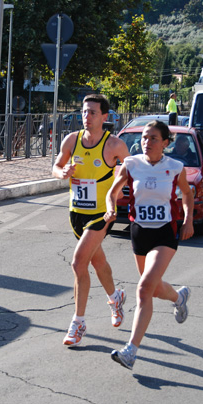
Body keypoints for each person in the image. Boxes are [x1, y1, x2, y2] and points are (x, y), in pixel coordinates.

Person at [104, 120, 194, 370]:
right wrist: (111, 208)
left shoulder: (175, 167)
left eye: (153, 138)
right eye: (144, 137)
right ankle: (179, 297)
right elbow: (113, 192)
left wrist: (187, 220)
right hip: (139, 232)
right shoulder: (131, 164)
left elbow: (187, 193)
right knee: (152, 289)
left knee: (143, 288)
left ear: (165, 143)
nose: (147, 142)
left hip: (165, 233)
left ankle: (130, 351)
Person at [52, 93, 129, 347]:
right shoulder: (71, 140)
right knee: (97, 261)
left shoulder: (114, 145)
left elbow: (128, 173)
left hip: (101, 214)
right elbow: (56, 166)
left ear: (105, 117)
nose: (87, 117)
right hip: (76, 213)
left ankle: (78, 322)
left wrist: (114, 195)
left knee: (77, 263)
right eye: (84, 112)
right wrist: (62, 172)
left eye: (93, 112)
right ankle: (115, 297)